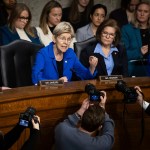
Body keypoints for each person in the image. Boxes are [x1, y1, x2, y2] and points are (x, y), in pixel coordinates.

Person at [32, 22, 98, 84]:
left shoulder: (70, 53)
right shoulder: (43, 54)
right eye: (62, 38)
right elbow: (35, 79)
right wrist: (57, 82)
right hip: (46, 93)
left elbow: (84, 75)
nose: (66, 42)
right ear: (54, 39)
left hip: (66, 93)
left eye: (69, 39)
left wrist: (92, 67)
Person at [121, 2, 150, 77]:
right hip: (133, 70)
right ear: (135, 12)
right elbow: (122, 54)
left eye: (146, 11)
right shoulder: (126, 29)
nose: (142, 14)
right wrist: (139, 52)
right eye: (139, 11)